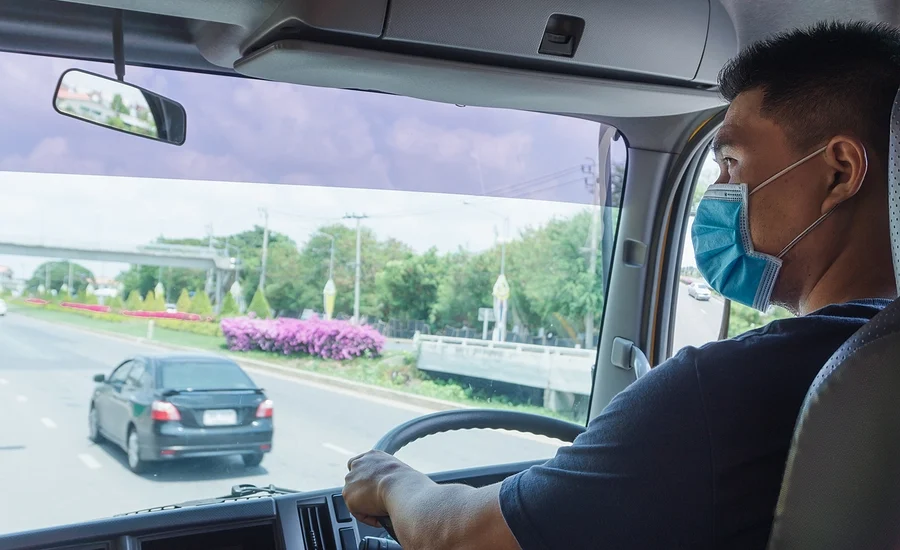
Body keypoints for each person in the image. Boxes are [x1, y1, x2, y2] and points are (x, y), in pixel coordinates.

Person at [342, 21, 900, 549]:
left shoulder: (719, 393)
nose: (721, 191)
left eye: (731, 162)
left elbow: (456, 537)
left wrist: (391, 480)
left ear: (840, 172)